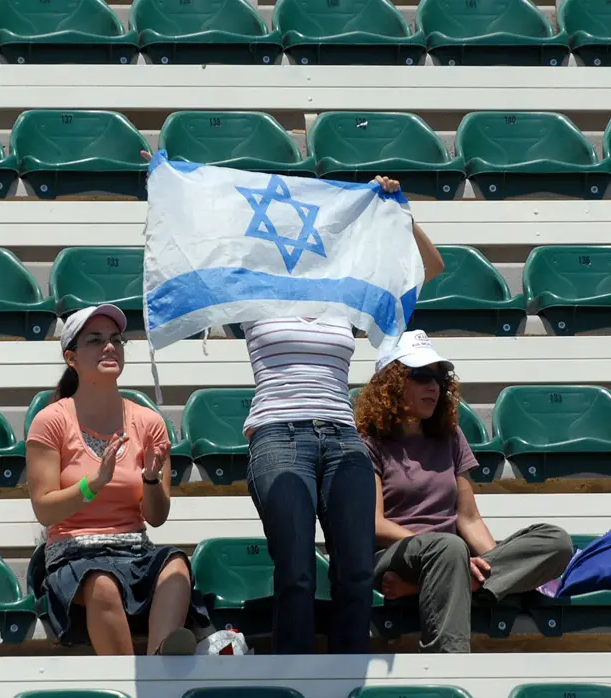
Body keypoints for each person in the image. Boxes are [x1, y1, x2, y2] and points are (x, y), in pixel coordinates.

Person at [243, 176, 445, 654]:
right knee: (295, 570)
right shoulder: (252, 289)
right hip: (278, 435)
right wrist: (170, 184)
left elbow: (430, 269)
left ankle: (345, 682)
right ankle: (293, 685)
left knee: (354, 570)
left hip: (342, 438)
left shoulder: (346, 293)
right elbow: (195, 248)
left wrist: (396, 213)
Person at [355, 329, 574, 653]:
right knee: (448, 548)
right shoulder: (368, 441)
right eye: (421, 375)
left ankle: (424, 588)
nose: (434, 386)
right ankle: (450, 667)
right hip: (394, 556)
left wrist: (485, 564)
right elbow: (373, 524)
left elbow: (469, 519)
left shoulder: (450, 435)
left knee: (555, 541)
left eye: (440, 377)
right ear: (392, 382)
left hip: (451, 557)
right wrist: (446, 550)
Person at [26, 304, 209, 655]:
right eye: (95, 340)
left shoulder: (149, 423)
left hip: (134, 549)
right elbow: (45, 510)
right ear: (71, 357)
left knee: (175, 567)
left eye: (116, 340)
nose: (110, 347)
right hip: (72, 553)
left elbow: (155, 517)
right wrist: (92, 484)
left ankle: (158, 666)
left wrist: (152, 480)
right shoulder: (50, 421)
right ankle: (127, 681)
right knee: (102, 585)